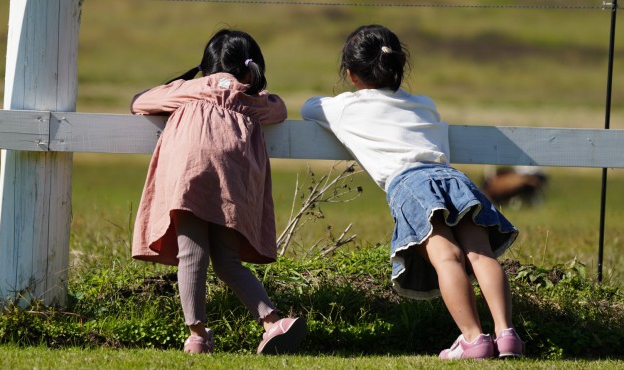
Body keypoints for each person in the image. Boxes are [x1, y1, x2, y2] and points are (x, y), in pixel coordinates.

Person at [301, 25, 524, 360]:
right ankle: (507, 335)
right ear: (398, 67)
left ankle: (474, 338)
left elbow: (308, 107)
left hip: (410, 184)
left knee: (446, 258)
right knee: (480, 254)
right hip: (454, 180)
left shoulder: (345, 108)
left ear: (351, 74)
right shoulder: (424, 104)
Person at [131, 29, 306, 355]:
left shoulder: (189, 90)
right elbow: (279, 110)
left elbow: (140, 102)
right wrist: (258, 88)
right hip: (232, 181)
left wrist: (180, 82)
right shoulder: (251, 97)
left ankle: (197, 335)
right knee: (227, 260)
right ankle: (272, 323)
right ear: (250, 65)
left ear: (208, 64)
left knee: (192, 254)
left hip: (190, 175)